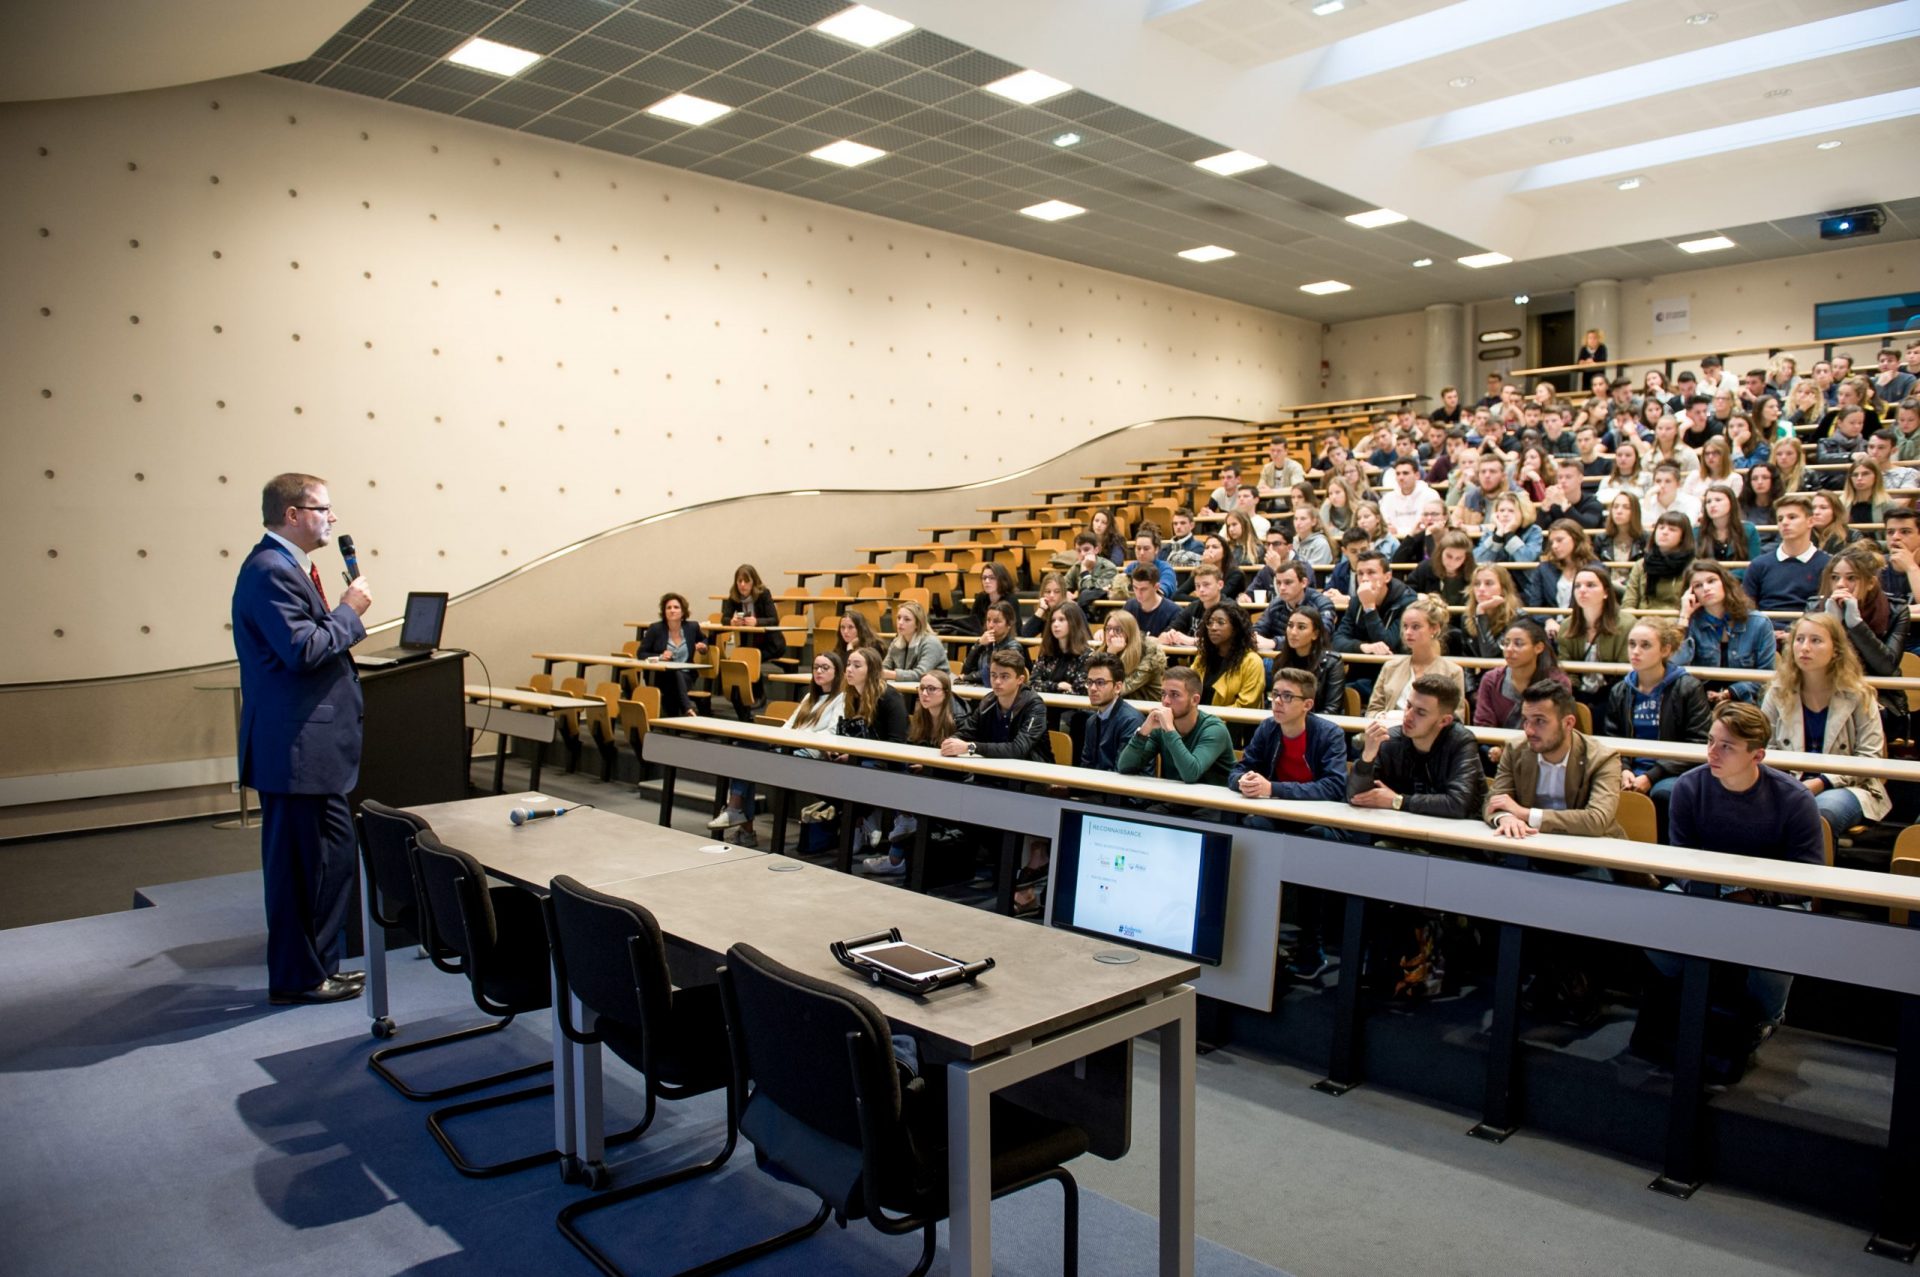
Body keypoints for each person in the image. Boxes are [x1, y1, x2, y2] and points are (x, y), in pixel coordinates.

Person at [232, 473, 373, 1005]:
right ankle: (296, 977)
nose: (332, 518)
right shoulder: (270, 570)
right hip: (294, 751)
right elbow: (302, 650)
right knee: (297, 871)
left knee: (332, 859)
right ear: (292, 514)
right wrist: (349, 611)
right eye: (322, 509)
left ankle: (318, 967)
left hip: (311, 753)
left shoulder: (289, 567)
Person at [1637, 703, 1824, 1076]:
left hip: (1771, 897)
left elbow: (1809, 876)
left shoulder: (1793, 798)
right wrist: (1713, 894)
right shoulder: (1689, 787)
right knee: (1653, 918)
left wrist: (1754, 896)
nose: (1712, 753)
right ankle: (1681, 1002)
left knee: (1784, 931)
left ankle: (1765, 1018)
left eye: (1727, 747)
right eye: (1710, 741)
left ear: (1757, 755)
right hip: (1705, 889)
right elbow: (1680, 859)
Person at [1230, 666, 1354, 980]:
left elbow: (1333, 787)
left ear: (1307, 704)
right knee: (1252, 829)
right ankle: (1256, 937)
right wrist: (1242, 781)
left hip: (1320, 821)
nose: (1278, 702)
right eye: (1275, 694)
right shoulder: (1268, 728)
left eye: (1287, 697)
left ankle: (1312, 946)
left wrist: (1273, 788)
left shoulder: (1329, 734)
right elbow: (1239, 768)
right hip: (1279, 817)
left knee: (1312, 844)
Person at [711, 650, 846, 846]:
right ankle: (737, 815)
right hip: (789, 749)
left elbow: (832, 732)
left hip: (808, 756)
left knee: (747, 760)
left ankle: (737, 815)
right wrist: (779, 739)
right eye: (816, 667)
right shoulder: (809, 697)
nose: (819, 671)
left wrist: (797, 738)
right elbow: (788, 726)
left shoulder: (840, 699)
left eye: (825, 668)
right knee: (745, 750)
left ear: (837, 672)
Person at [1485, 678, 1623, 839]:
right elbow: (1494, 800)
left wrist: (1524, 814)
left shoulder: (1602, 759)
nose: (1529, 731)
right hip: (1531, 842)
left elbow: (1596, 820)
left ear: (1568, 723)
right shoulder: (1515, 749)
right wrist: (1506, 817)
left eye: (1540, 721)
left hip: (1588, 846)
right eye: (1526, 720)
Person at [1604, 619, 1711, 822]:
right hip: (1629, 769)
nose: (1635, 651)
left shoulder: (1688, 688)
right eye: (1632, 644)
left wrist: (1651, 776)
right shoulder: (1620, 690)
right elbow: (1612, 739)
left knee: (1663, 794)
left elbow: (1698, 743)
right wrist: (1624, 769)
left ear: (1665, 650)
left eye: (1645, 645)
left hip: (1671, 770)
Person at [1349, 674, 1486, 822]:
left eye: (1420, 712)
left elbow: (1457, 804)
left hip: (1453, 832)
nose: (1408, 716)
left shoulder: (1461, 742)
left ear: (1444, 721)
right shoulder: (1390, 740)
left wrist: (1398, 801)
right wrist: (1367, 758)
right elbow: (1355, 797)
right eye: (1408, 706)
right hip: (1401, 828)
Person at [1675, 560, 1776, 705]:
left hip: (1745, 703)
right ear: (1691, 593)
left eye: (1711, 581)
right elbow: (1674, 668)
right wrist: (1684, 616)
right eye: (1698, 585)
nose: (1706, 588)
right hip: (1700, 702)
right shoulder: (1689, 623)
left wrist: (1730, 693)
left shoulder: (1759, 623)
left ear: (1724, 583)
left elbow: (1766, 677)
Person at [1116, 665, 1235, 789]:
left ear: (1194, 700)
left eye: (1175, 695)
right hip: (1175, 797)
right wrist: (1143, 732)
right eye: (1163, 694)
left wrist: (1170, 730)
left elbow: (1191, 774)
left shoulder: (1214, 729)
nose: (1166, 701)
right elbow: (1125, 767)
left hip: (1213, 799)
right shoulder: (1160, 729)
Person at [1817, 545, 1911, 679]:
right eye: (1835, 577)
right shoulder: (1815, 606)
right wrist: (1830, 624)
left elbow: (1887, 667)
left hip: (1878, 688)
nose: (1840, 584)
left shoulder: (1897, 611)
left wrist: (1856, 624)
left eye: (1851, 578)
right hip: (1828, 684)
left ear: (1871, 583)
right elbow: (1808, 662)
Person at [1364, 598, 1467, 720]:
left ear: (1434, 628)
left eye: (1416, 627)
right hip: (1388, 729)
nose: (1408, 632)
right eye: (1405, 626)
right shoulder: (1390, 667)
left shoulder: (1452, 671)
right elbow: (1372, 710)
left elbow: (1456, 718)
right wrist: (1385, 717)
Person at [1741, 494, 1830, 630]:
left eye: (1792, 517)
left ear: (1810, 521)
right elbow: (1747, 607)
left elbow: (1827, 613)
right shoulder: (1758, 565)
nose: (1784, 523)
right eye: (1780, 519)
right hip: (1766, 633)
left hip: (1809, 632)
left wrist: (1794, 633)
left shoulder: (1828, 564)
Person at [1475, 619, 1570, 742]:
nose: (1509, 649)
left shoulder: (1558, 682)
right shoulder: (1491, 679)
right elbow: (1483, 725)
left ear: (1538, 648)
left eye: (1518, 644)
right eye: (1506, 643)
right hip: (1496, 747)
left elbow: (1558, 729)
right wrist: (1494, 748)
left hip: (1542, 748)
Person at [721, 563, 783, 714]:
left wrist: (757, 622)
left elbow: (774, 619)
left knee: (750, 659)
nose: (742, 585)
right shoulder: (734, 596)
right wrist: (731, 622)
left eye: (746, 581)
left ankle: (758, 695)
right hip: (747, 644)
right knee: (741, 659)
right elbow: (724, 618)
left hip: (770, 644)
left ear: (753, 581)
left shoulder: (764, 594)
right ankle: (742, 697)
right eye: (739, 581)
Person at [637, 591, 709, 719]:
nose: (672, 610)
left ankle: (680, 713)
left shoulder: (692, 627)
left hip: (687, 676)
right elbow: (641, 653)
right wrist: (660, 657)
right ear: (664, 612)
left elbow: (705, 639)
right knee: (674, 674)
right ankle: (687, 708)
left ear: (683, 611)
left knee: (677, 676)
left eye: (676, 607)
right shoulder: (655, 629)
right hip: (661, 676)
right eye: (668, 608)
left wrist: (703, 647)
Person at [1334, 550, 1418, 656]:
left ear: (1387, 577)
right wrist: (1362, 647)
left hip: (1394, 662)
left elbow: (1388, 646)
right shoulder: (1357, 600)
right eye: (1360, 573)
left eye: (1371, 572)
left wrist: (1369, 607)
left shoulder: (1407, 602)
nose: (1364, 579)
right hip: (1362, 662)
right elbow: (1337, 641)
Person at [1268, 605, 1346, 716]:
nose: (1293, 632)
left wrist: (1299, 721)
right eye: (1290, 626)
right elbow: (1273, 699)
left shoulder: (1332, 663)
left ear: (1315, 634)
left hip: (1319, 724)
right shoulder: (1280, 661)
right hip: (1284, 721)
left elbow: (1332, 709)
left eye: (1301, 627)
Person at [1076, 653, 1145, 771]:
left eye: (1100, 682)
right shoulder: (1091, 721)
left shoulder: (1131, 721)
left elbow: (1124, 771)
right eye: (1089, 682)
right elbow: (1086, 765)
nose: (1092, 688)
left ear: (1117, 687)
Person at [1192, 603, 1266, 709]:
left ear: (1236, 628)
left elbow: (1246, 705)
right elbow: (1187, 688)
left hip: (1231, 719)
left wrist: (1210, 718)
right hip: (1198, 716)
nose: (1213, 627)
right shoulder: (1202, 658)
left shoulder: (1252, 662)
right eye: (1210, 622)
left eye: (1221, 622)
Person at [1620, 512, 1696, 611]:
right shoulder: (1642, 564)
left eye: (1672, 529)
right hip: (1642, 617)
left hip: (1676, 617)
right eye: (1661, 528)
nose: (1664, 532)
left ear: (1683, 537)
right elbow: (1628, 603)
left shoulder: (1693, 566)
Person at [1253, 560, 1335, 649]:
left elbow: (1321, 635)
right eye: (1278, 583)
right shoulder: (1275, 603)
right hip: (1281, 655)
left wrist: (1275, 643)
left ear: (1304, 583)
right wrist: (1254, 637)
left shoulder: (1322, 603)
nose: (1282, 588)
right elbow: (1257, 629)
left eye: (1288, 582)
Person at [1524, 519, 1596, 612]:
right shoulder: (1544, 568)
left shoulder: (1595, 569)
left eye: (1559, 540)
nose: (1554, 546)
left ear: (1575, 538)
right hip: (1551, 620)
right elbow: (1535, 605)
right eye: (1552, 542)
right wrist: (1546, 619)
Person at [1030, 599, 1093, 695]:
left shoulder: (1087, 655)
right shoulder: (1046, 653)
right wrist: (1057, 686)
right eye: (1053, 620)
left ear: (1073, 622)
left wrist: (1047, 686)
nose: (1055, 624)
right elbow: (1032, 684)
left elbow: (1080, 690)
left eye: (1061, 619)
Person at [1160, 562, 1228, 651]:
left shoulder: (1229, 609)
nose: (1201, 589)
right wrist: (1170, 636)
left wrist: (1192, 641)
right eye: (1197, 586)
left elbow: (1226, 643)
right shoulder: (1193, 607)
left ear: (1220, 585)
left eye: (1206, 585)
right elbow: (1164, 634)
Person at [1694, 484, 1759, 571]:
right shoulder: (1696, 532)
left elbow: (1754, 566)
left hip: (1740, 578)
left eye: (1718, 500)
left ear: (1731, 503)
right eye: (1708, 502)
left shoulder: (1749, 530)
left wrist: (1726, 577)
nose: (1712, 505)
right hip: (1707, 578)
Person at [1103, 610, 1166, 700]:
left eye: (1118, 630)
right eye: (1108, 629)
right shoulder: (1101, 650)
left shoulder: (1148, 653)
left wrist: (1111, 655)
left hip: (1144, 705)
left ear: (1130, 632)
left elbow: (1121, 689)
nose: (1111, 634)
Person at [1406, 530, 1474, 610]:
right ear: (1441, 552)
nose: (1452, 562)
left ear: (1466, 558)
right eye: (1449, 556)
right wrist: (1416, 596)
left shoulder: (1473, 573)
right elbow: (1407, 592)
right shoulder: (1425, 568)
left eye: (1458, 558)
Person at [882, 600, 949, 681]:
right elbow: (885, 667)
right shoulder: (896, 642)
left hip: (936, 687)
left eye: (907, 619)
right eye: (899, 618)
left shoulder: (931, 643)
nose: (900, 622)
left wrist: (890, 674)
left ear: (918, 624)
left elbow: (921, 674)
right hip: (908, 687)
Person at [958, 600, 1021, 684]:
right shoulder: (986, 643)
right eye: (988, 620)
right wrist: (978, 645)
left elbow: (992, 673)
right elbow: (965, 670)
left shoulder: (1013, 647)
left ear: (1009, 624)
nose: (990, 625)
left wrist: (967, 677)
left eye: (996, 621)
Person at [1475, 492, 1543, 566]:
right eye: (1502, 510)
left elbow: (1526, 559)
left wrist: (1509, 534)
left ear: (1523, 513)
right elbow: (1478, 560)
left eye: (1511, 511)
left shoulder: (1533, 531)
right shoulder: (1490, 533)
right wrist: (1497, 536)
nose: (1505, 514)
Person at [1379, 458, 1439, 537]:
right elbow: (1385, 525)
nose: (1401, 477)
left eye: (1405, 473)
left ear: (1417, 475)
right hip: (1395, 540)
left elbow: (1430, 526)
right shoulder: (1388, 498)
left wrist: (1399, 531)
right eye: (1398, 474)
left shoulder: (1430, 495)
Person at [1065, 531, 1120, 611]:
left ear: (1096, 550)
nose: (1083, 554)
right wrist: (1066, 593)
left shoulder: (1109, 568)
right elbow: (1063, 584)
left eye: (1086, 550)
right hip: (1082, 610)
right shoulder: (1077, 567)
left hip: (1101, 611)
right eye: (1079, 551)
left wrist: (1084, 571)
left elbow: (1090, 593)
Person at [1121, 564, 1181, 636]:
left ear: (1156, 587)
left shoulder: (1173, 612)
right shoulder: (1129, 606)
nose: (1138, 593)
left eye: (1143, 589)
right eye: (1135, 587)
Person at [1844, 458, 1895, 527]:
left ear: (1876, 476)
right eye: (1855, 475)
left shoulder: (1888, 504)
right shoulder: (1841, 503)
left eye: (1865, 474)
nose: (1859, 478)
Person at [1019, 572, 1068, 640]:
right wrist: (1042, 608)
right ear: (1042, 593)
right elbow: (1024, 634)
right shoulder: (1044, 614)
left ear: (1063, 593)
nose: (1051, 595)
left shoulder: (1071, 612)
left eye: (1057, 591)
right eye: (1048, 591)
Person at [1806, 490, 1853, 556]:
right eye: (1813, 508)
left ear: (1836, 511)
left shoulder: (1852, 536)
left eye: (1823, 508)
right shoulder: (1802, 535)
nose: (1816, 512)